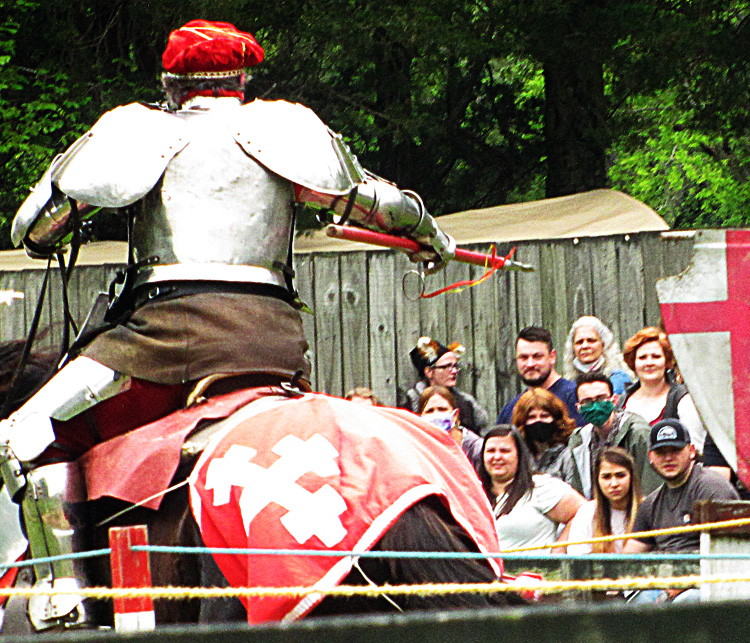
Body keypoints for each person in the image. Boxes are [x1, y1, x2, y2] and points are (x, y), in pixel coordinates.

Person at [0, 20, 457, 628]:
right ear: (243, 80)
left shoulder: (139, 133)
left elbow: (32, 231)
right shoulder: (285, 130)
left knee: (22, 438)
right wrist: (432, 236)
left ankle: (64, 596)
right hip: (273, 344)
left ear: (171, 82)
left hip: (166, 343)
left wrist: (80, 188)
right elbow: (373, 200)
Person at [623, 419, 739, 604]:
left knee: (685, 602)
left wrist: (680, 585)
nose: (668, 458)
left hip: (709, 584)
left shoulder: (711, 488)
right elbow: (627, 559)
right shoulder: (651, 503)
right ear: (650, 456)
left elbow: (727, 553)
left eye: (675, 450)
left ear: (692, 451)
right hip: (663, 583)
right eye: (661, 452)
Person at [478, 426, 584, 551]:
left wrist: (559, 551)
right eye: (490, 451)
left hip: (537, 569)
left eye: (505, 451)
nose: (497, 457)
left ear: (519, 455)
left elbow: (587, 513)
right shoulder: (475, 494)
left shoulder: (540, 486)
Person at [557, 372, 660, 498]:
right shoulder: (579, 439)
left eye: (601, 399)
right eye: (587, 401)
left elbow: (650, 488)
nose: (595, 406)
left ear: (614, 400)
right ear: (578, 407)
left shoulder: (638, 433)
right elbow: (578, 488)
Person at [618, 327, 705, 452]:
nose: (649, 363)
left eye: (656, 356)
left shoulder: (683, 399)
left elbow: (695, 450)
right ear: (633, 363)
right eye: (642, 357)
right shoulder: (623, 402)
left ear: (667, 361)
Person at [497, 326, 585, 426]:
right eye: (524, 357)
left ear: (552, 357)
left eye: (537, 356)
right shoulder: (510, 410)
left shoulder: (575, 397)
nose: (530, 364)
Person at [560, 447, 640, 555]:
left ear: (632, 477)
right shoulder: (587, 512)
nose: (614, 484)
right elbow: (578, 560)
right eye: (606, 477)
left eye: (620, 475)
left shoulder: (647, 509)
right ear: (597, 480)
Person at [402, 337, 489, 435]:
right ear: (429, 372)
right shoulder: (411, 406)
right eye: (446, 367)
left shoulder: (466, 403)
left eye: (455, 366)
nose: (454, 371)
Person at [510, 388, 576, 476]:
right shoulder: (518, 456)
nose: (538, 421)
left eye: (544, 416)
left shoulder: (569, 454)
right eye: (532, 417)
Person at [562, 316, 633, 395]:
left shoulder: (618, 379)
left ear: (603, 344)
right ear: (573, 348)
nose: (584, 346)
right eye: (579, 342)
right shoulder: (568, 385)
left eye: (591, 340)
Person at [417, 386, 483, 469]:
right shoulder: (417, 448)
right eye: (430, 411)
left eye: (442, 409)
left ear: (455, 415)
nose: (436, 414)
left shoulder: (476, 448)